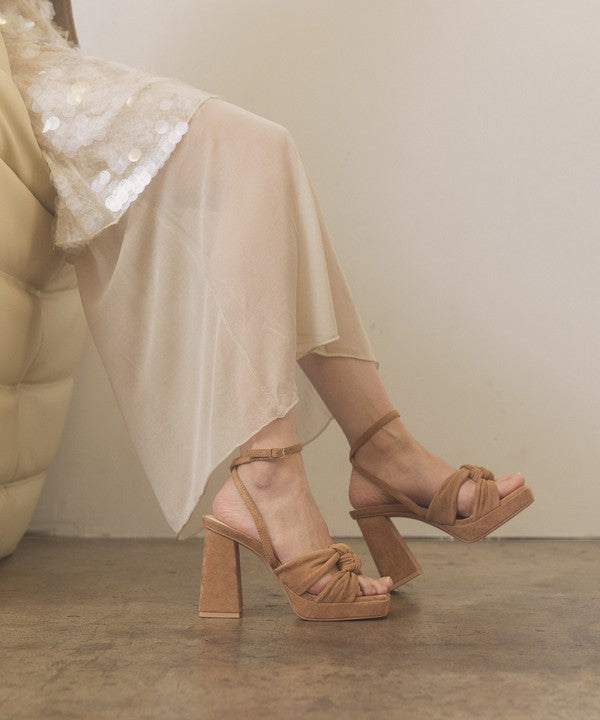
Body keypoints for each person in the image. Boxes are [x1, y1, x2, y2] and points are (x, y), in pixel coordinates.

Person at [0, 0, 533, 621]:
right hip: (16, 72)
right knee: (250, 150)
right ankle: (301, 469)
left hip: (42, 51)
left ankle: (375, 450)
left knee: (262, 150)